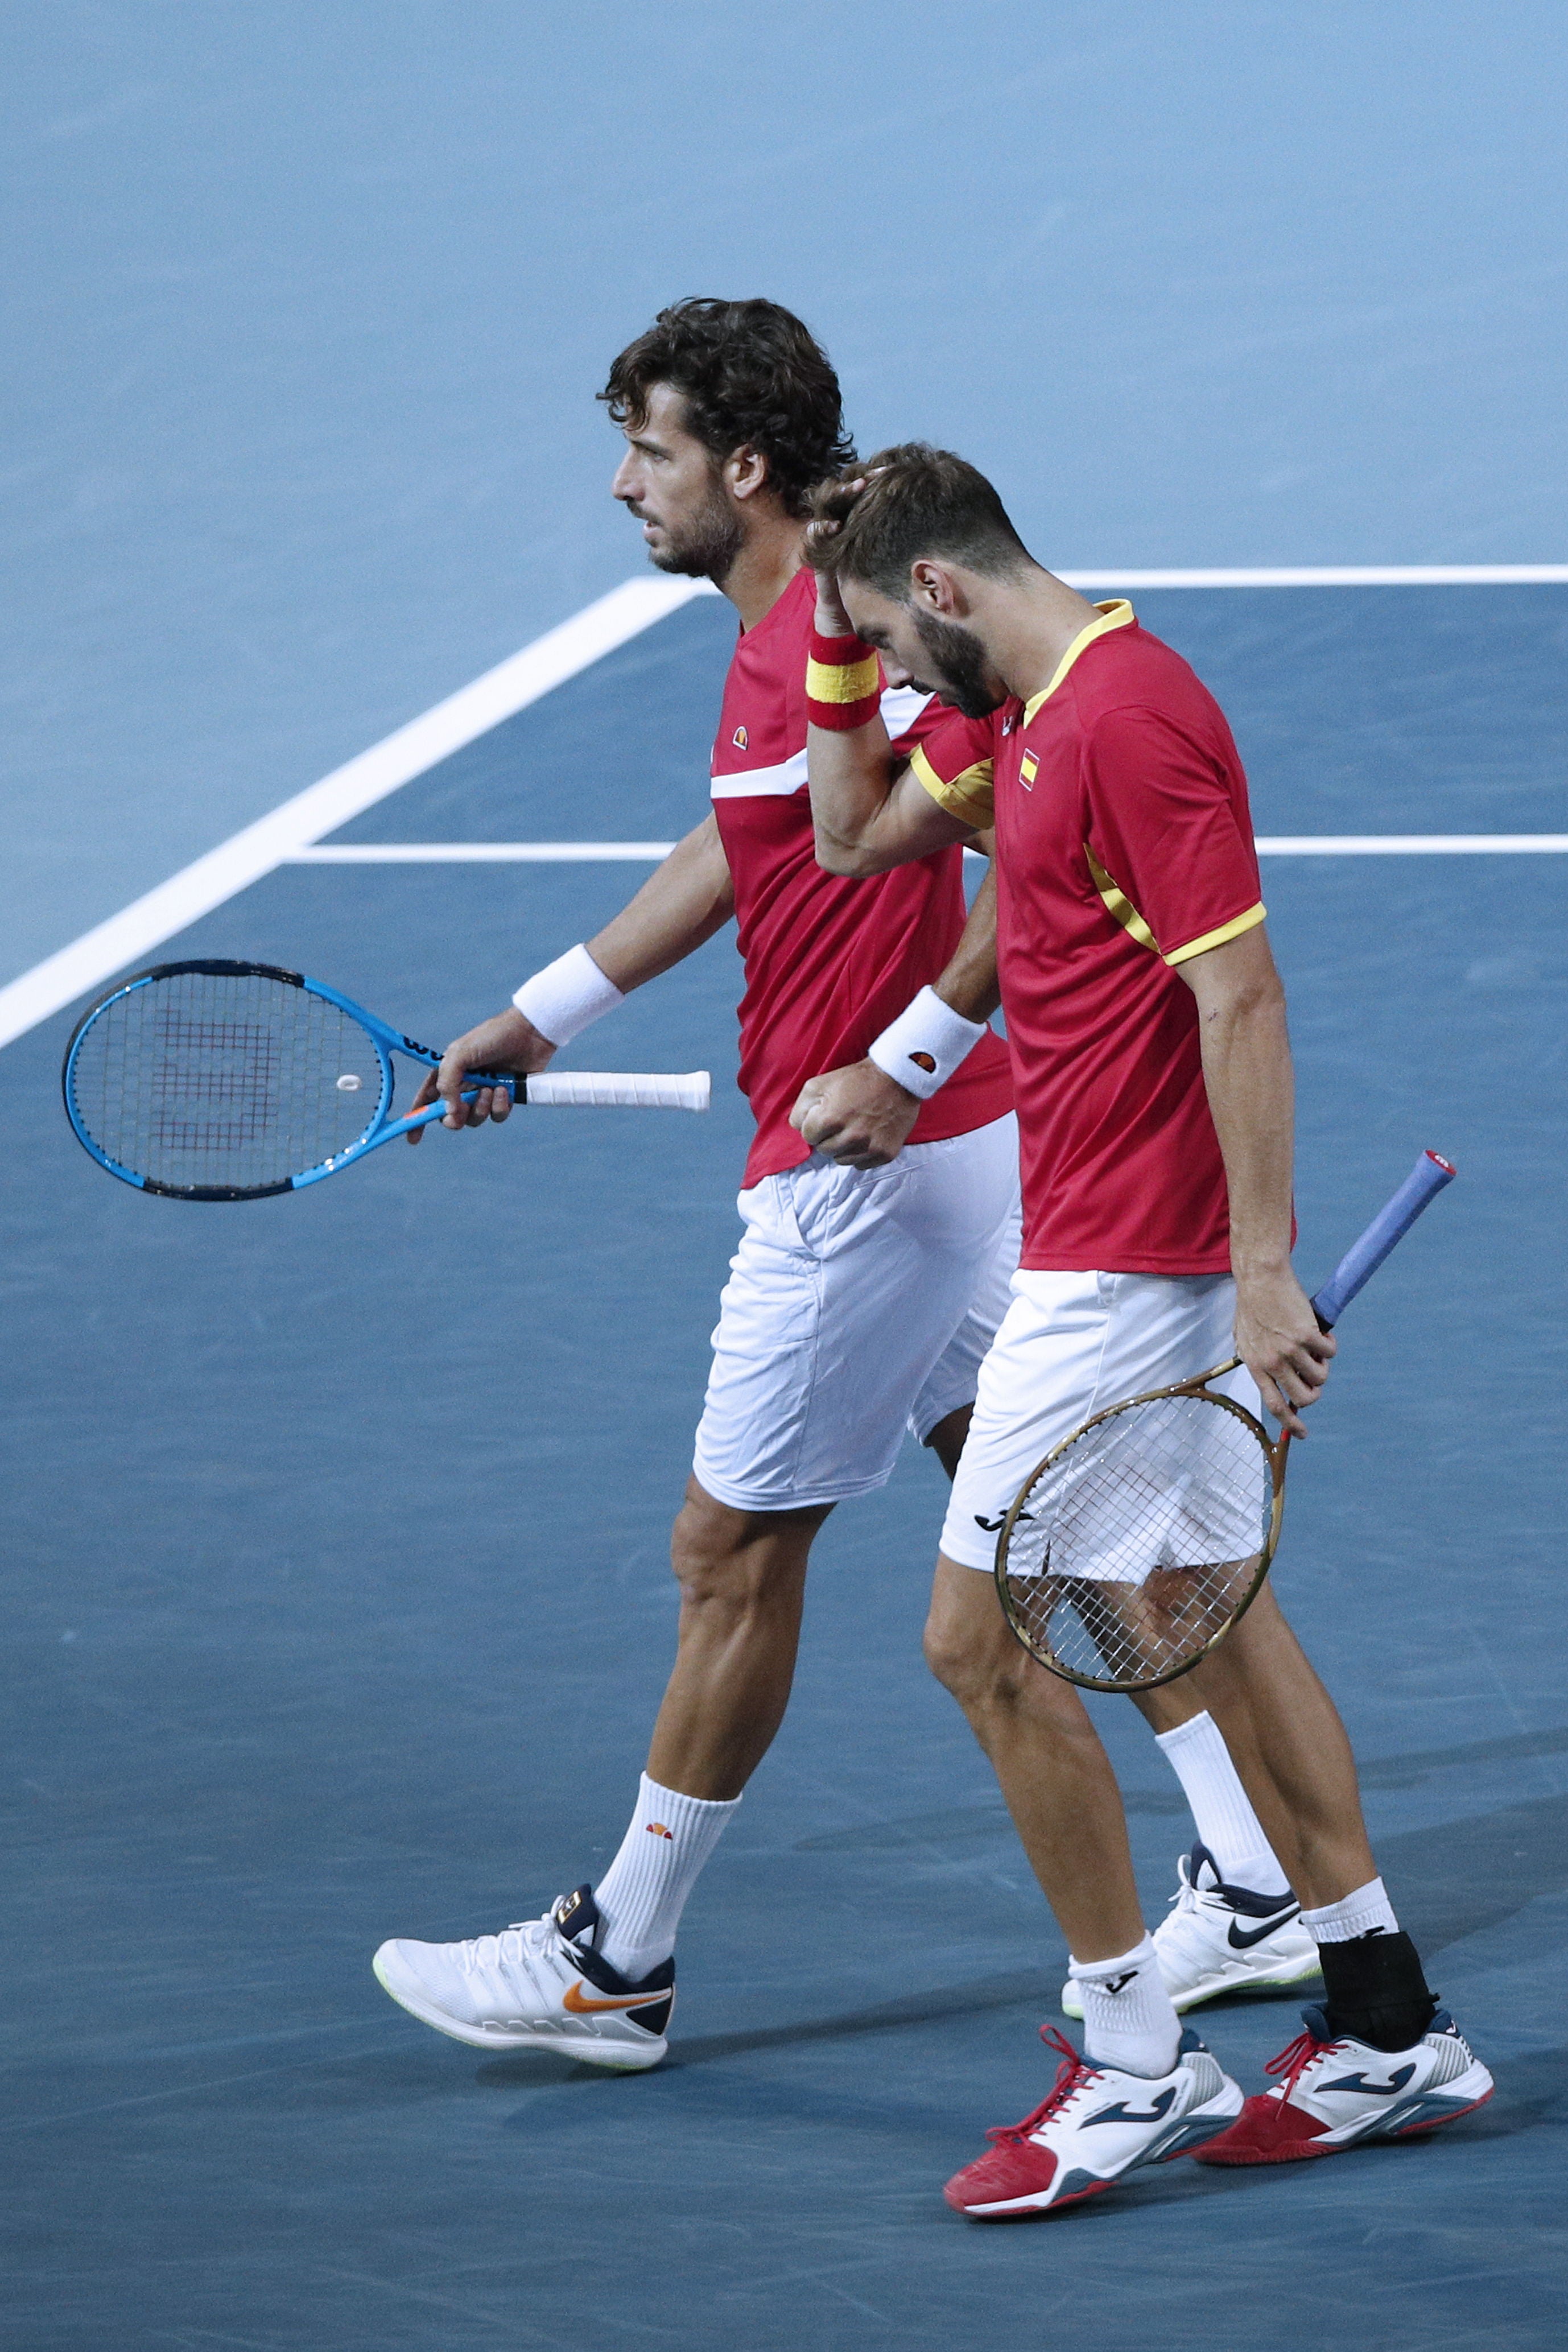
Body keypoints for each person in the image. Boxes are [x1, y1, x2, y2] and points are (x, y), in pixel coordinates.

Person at [369, 301, 1303, 2072]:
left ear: (739, 468)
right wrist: (538, 1019)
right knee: (1064, 1523)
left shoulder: (862, 635)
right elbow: (752, 836)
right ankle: (1255, 1878)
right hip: (970, 1161)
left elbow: (1016, 849)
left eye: (646, 452)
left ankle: (615, 1960)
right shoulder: (785, 644)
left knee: (730, 1552)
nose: (621, 486)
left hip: (867, 1178)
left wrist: (906, 1060)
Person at [797, 444, 1492, 2214]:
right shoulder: (1034, 708)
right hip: (1108, 1245)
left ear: (944, 592)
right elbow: (854, 828)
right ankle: (1386, 2021)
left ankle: (1130, 2060)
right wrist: (823, 613)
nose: (886, 679)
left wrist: (1259, 1267)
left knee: (982, 1648)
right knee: (1210, 1620)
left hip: (1133, 1270)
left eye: (885, 640)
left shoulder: (1123, 721)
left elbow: (1236, 989)